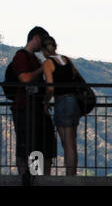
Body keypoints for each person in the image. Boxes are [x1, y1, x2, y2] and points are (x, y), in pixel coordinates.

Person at [11, 26, 57, 176]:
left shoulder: (34, 59)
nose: (43, 46)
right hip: (25, 108)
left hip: (35, 108)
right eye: (42, 41)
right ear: (36, 38)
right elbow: (25, 78)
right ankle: (30, 177)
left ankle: (36, 177)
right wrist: (42, 69)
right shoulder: (21, 57)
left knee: (38, 145)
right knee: (28, 145)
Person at [41, 36, 80, 176]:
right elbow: (75, 76)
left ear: (44, 50)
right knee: (72, 142)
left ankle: (70, 177)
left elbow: (50, 87)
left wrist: (46, 103)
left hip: (62, 102)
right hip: (75, 101)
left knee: (66, 143)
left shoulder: (48, 63)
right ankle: (72, 174)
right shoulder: (66, 59)